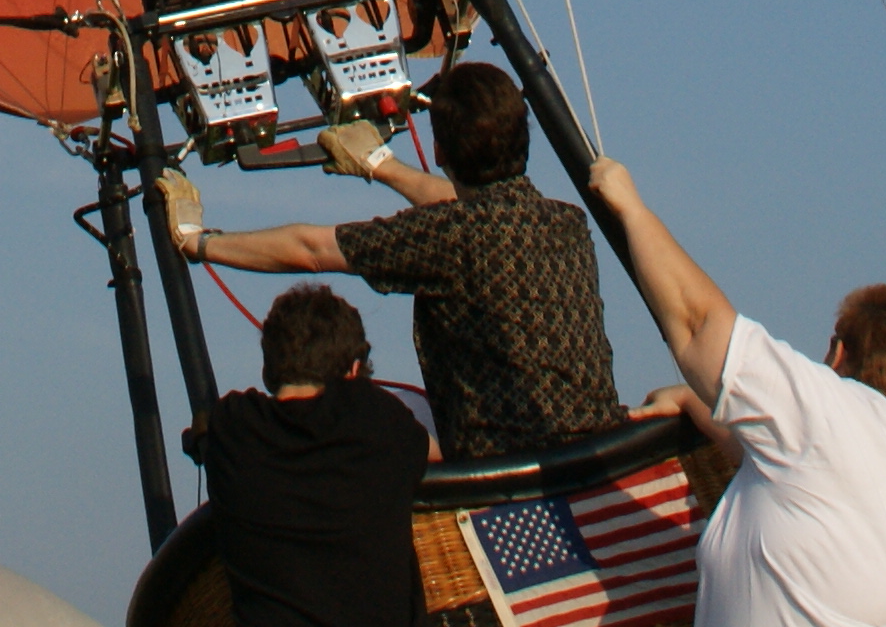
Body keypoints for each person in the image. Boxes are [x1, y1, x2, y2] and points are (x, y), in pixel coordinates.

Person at [586, 155, 886, 627]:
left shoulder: (828, 410)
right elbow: (785, 461)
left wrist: (631, 208)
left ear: (838, 354)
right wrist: (692, 400)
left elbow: (698, 324)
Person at [178, 63, 627, 458]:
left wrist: (197, 242)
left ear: (439, 153)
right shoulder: (567, 224)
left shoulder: (448, 237)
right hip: (598, 448)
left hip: (499, 464)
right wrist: (381, 164)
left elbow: (311, 250)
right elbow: (476, 207)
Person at [203, 285, 434, 627]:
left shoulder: (232, 428)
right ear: (355, 372)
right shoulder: (379, 419)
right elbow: (446, 455)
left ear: (269, 369)